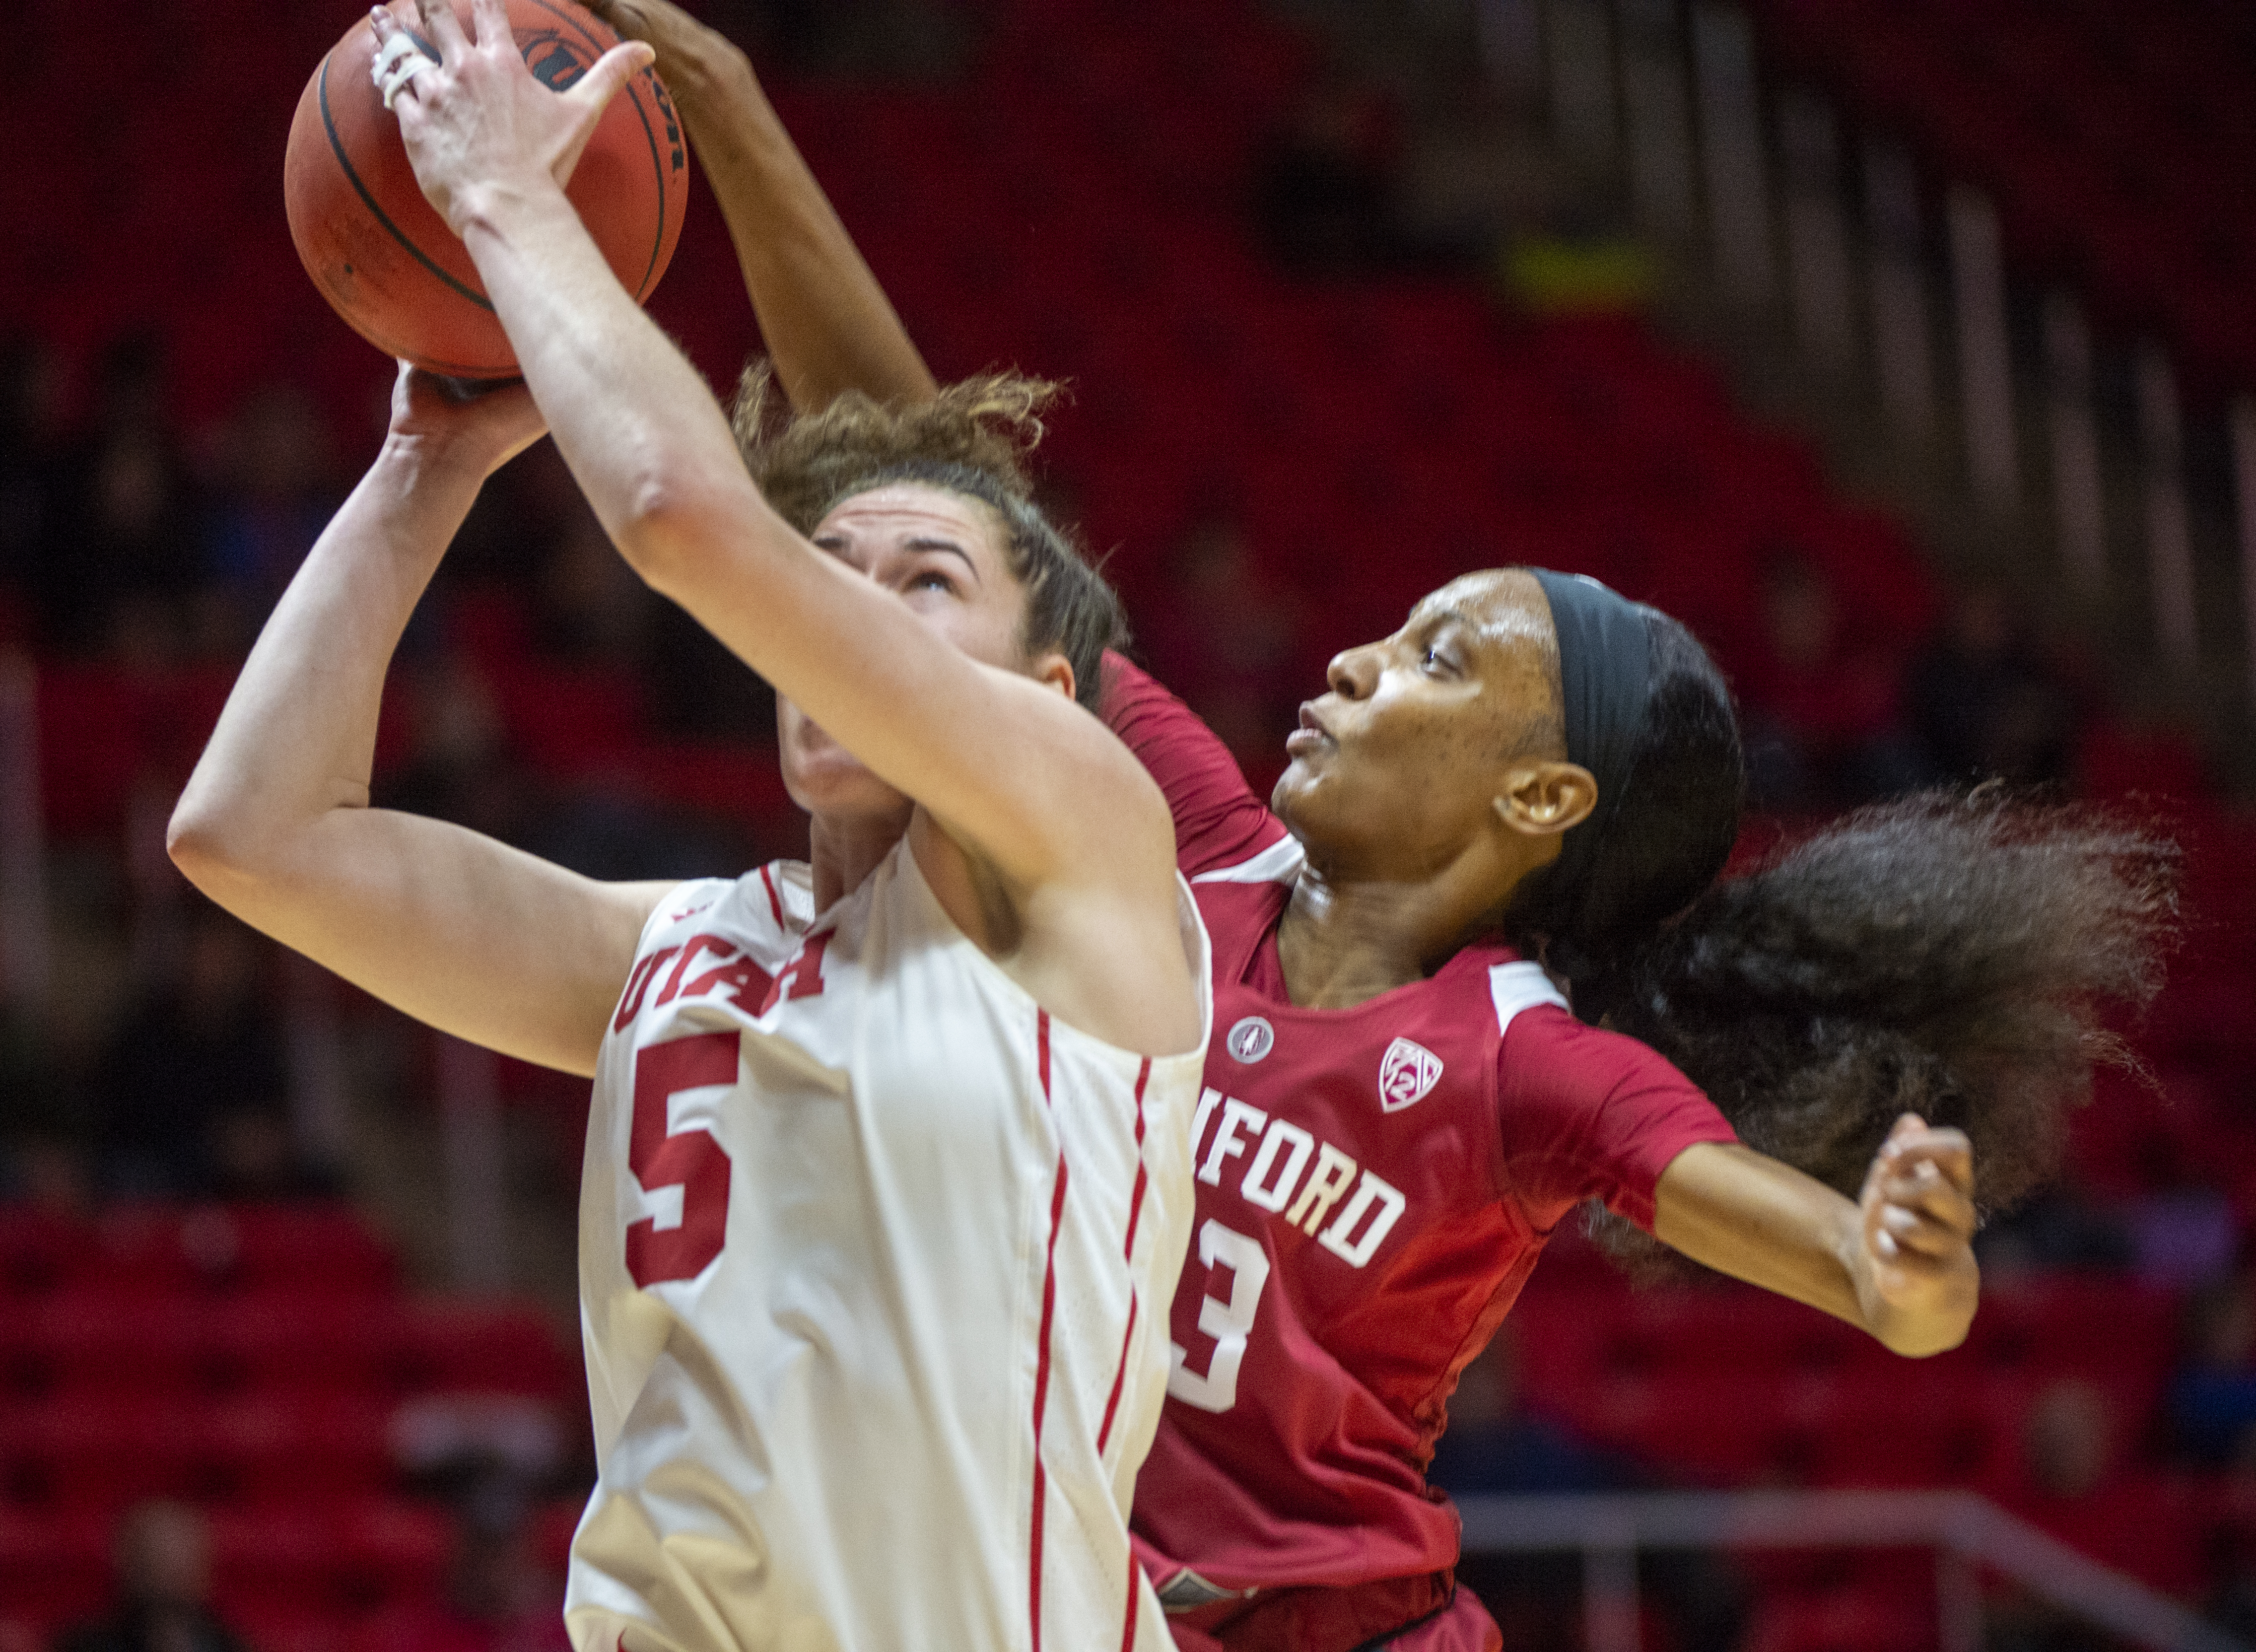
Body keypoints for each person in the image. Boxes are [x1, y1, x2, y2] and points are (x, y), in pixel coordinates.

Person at [575, 8, 2177, 1647]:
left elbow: (1837, 1269)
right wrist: (739, 118)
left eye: (1435, 660)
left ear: (1538, 798)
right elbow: (947, 498)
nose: (1352, 660)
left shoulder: (1520, 1059)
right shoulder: (1178, 845)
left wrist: (1898, 1267)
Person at [169, 3, 1210, 1646]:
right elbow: (253, 836)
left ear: (1050, 691)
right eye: (826, 574)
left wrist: (508, 199)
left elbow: (675, 513)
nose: (836, 614)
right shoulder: (681, 952)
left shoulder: (1086, 844)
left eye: (920, 581)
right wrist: (422, 458)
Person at [55, 1500, 250, 1652]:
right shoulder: (88, 1645)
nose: (168, 1572)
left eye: (179, 1555)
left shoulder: (230, 1645)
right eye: (153, 1556)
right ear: (126, 1563)